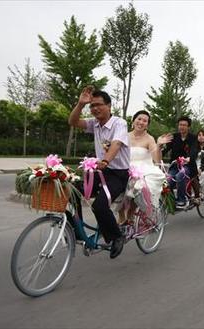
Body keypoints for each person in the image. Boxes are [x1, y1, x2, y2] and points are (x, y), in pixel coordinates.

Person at [68, 87, 130, 259]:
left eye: (98, 105)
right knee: (70, 190)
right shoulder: (94, 123)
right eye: (92, 106)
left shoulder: (119, 123)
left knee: (99, 206)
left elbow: (116, 144)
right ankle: (77, 232)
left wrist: (105, 161)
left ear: (109, 105)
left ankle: (116, 236)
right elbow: (73, 122)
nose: (95, 108)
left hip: (118, 173)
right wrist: (80, 104)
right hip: (99, 172)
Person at [121, 110, 166, 223]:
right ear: (133, 120)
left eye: (145, 121)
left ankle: (131, 214)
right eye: (139, 119)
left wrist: (159, 146)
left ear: (147, 125)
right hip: (126, 168)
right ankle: (122, 215)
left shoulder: (149, 139)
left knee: (136, 188)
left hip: (144, 170)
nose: (141, 122)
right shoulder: (124, 136)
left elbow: (156, 159)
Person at [159, 116, 198, 208]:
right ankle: (172, 201)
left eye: (184, 125)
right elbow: (165, 150)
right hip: (174, 165)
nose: (182, 127)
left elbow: (194, 151)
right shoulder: (174, 137)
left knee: (180, 175)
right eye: (180, 124)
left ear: (188, 127)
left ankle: (182, 199)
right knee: (167, 181)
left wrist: (189, 158)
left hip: (188, 166)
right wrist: (159, 151)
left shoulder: (193, 138)